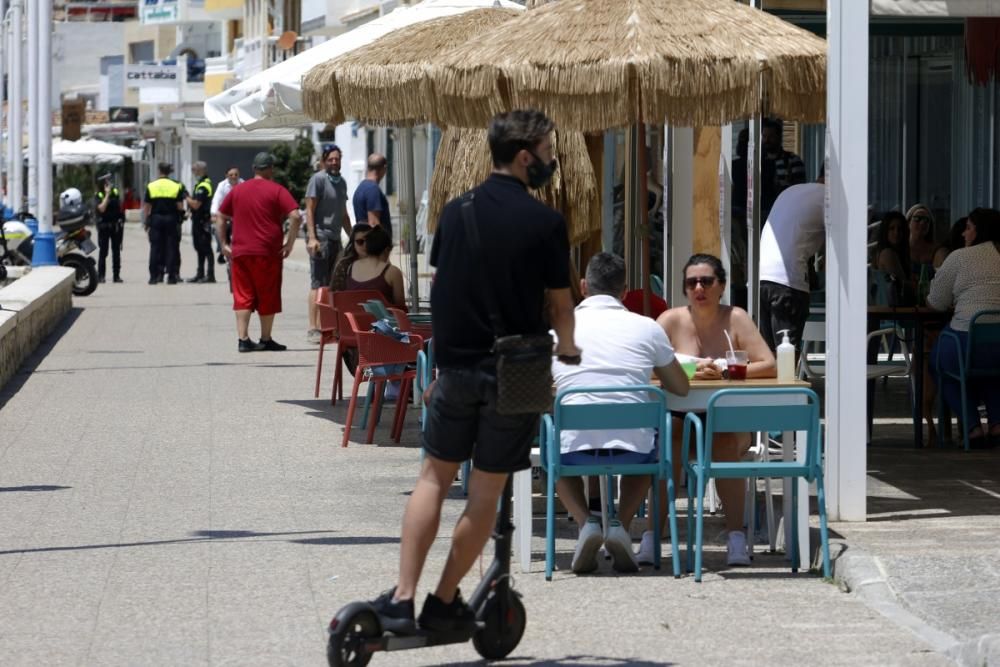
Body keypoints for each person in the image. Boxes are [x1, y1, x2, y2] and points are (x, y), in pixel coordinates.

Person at [370, 109, 580, 635]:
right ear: (526, 156)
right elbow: (561, 306)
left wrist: (441, 362)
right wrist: (571, 349)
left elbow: (443, 291)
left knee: (433, 479)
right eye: (550, 154)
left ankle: (401, 598)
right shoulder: (546, 223)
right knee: (485, 492)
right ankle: (443, 601)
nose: (553, 163)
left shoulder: (455, 212)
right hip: (515, 372)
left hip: (457, 367)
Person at [551, 252, 689, 575]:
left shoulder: (558, 331)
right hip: (635, 445)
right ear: (624, 292)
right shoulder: (647, 328)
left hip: (575, 447)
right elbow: (680, 388)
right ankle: (621, 526)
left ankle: (587, 524)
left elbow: (541, 388)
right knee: (651, 449)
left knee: (552, 455)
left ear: (583, 287)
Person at [655, 254, 776, 566]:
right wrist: (692, 371)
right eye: (691, 282)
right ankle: (654, 533)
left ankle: (736, 535)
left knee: (721, 438)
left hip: (728, 420)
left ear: (721, 286)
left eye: (706, 281)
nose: (699, 288)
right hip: (681, 419)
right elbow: (646, 366)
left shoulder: (736, 318)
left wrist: (726, 372)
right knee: (670, 435)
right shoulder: (670, 320)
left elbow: (769, 364)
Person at [216, 152, 302, 353]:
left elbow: (220, 216)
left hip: (241, 252)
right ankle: (265, 338)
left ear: (254, 169)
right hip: (268, 252)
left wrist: (223, 244)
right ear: (271, 169)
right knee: (268, 294)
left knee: (242, 294)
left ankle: (243, 339)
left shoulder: (238, 190)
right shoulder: (278, 190)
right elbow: (296, 216)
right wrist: (289, 243)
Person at [929, 207, 1000, 447]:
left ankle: (971, 427)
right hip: (997, 344)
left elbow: (937, 302)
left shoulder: (959, 257)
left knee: (940, 363)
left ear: (979, 231)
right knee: (992, 373)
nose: (963, 234)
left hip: (965, 340)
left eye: (968, 227)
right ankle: (997, 424)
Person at [757, 171, 825, 352]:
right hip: (787, 281)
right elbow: (844, 243)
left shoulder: (791, 191)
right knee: (786, 355)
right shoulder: (828, 197)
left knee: (769, 355)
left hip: (761, 278)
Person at [305, 145, 352, 343]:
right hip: (321, 238)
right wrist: (312, 237)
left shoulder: (341, 182)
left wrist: (354, 237)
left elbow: (343, 214)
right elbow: (309, 210)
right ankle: (313, 328)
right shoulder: (318, 180)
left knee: (334, 285)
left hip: (335, 238)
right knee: (318, 284)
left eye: (337, 159)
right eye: (331, 159)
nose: (334, 162)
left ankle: (329, 326)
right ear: (324, 161)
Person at [143, 162, 185, 285]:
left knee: (155, 248)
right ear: (169, 172)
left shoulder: (151, 186)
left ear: (159, 170)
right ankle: (171, 277)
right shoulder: (176, 186)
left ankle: (154, 276)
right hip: (171, 219)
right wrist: (181, 216)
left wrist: (147, 221)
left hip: (156, 219)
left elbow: (147, 206)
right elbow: (180, 206)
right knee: (171, 247)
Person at [345, 225, 405, 308]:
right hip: (383, 320)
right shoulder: (393, 272)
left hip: (353, 320)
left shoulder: (350, 268)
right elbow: (401, 308)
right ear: (387, 250)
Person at [760, 118, 806, 218]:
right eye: (764, 136)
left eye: (771, 136)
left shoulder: (793, 160)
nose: (766, 140)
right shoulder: (758, 162)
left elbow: (799, 189)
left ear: (779, 137)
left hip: (784, 212)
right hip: (761, 213)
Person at [185, 161, 215, 283]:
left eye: (194, 170)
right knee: (199, 248)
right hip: (198, 220)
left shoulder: (204, 186)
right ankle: (200, 273)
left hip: (203, 221)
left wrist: (185, 196)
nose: (193, 172)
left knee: (206, 248)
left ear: (201, 170)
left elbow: (196, 205)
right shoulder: (200, 184)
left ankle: (210, 275)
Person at [352, 153, 392, 240]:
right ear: (384, 169)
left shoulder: (361, 188)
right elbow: (374, 223)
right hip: (373, 247)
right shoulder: (373, 190)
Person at [94, 173, 124, 284]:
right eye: (106, 182)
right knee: (103, 252)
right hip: (104, 227)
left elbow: (119, 207)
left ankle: (116, 276)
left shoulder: (115, 192)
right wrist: (107, 195)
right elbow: (101, 208)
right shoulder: (99, 195)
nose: (109, 184)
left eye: (109, 181)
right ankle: (101, 276)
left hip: (115, 226)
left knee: (116, 252)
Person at [211, 166, 243, 265]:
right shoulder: (222, 185)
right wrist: (214, 214)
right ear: (226, 175)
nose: (234, 177)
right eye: (231, 175)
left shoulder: (243, 184)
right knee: (217, 230)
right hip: (225, 214)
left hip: (239, 215)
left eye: (236, 175)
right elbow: (216, 200)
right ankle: (222, 249)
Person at [873, 211, 912, 288]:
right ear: (885, 231)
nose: (896, 232)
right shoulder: (887, 253)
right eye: (891, 228)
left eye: (899, 229)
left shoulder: (889, 252)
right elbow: (905, 287)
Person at [330, 223, 372, 292]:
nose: (365, 245)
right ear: (353, 244)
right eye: (360, 242)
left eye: (369, 241)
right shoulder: (344, 264)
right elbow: (335, 294)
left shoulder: (381, 261)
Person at [906, 203, 938, 278]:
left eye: (926, 220)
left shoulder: (936, 250)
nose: (922, 223)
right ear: (908, 222)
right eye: (917, 218)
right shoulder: (900, 248)